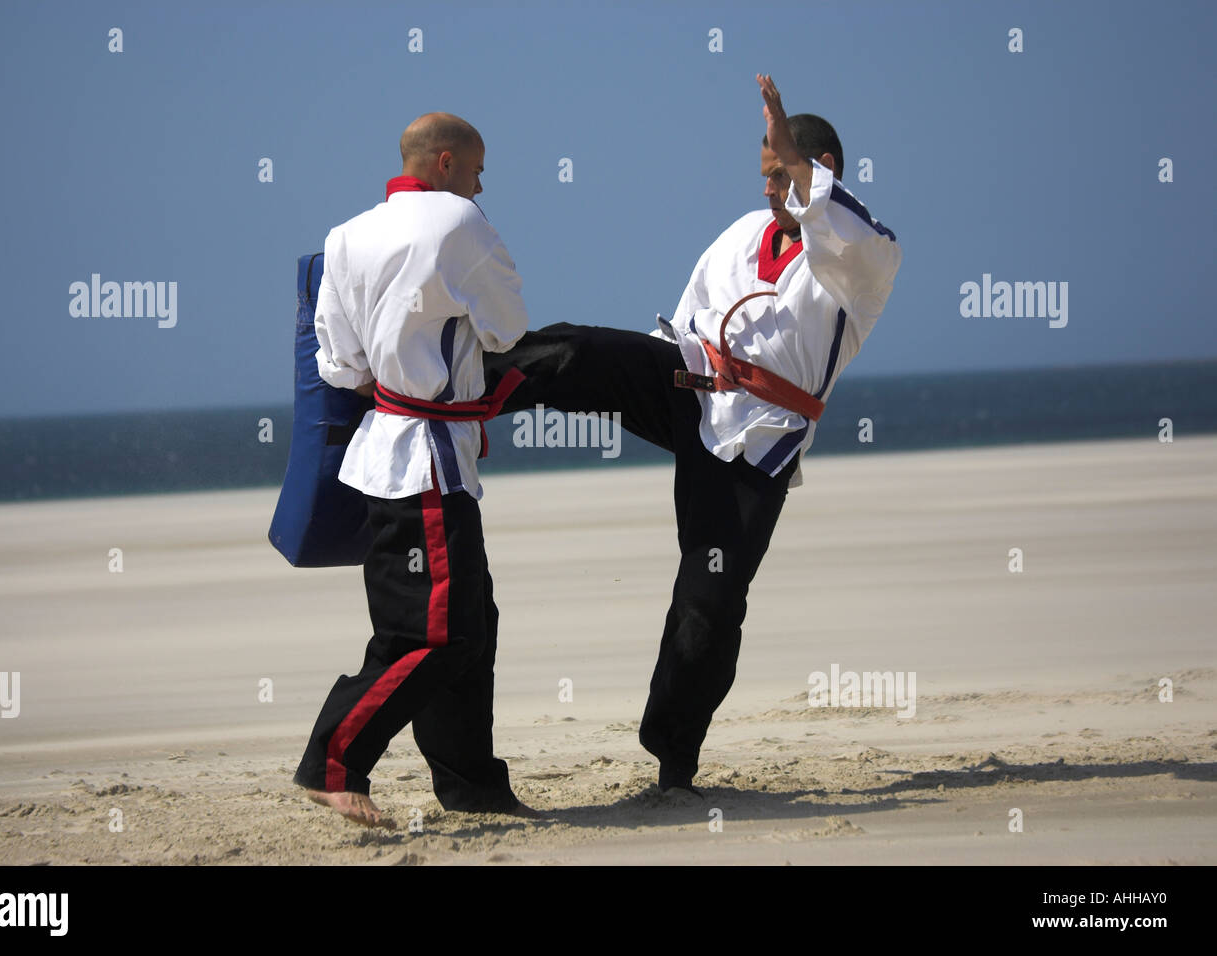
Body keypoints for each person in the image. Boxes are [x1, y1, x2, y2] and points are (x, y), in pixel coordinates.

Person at [484, 75, 902, 793]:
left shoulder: (861, 261)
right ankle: (463, 390)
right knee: (582, 352)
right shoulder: (742, 232)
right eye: (765, 173)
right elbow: (684, 320)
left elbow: (846, 226)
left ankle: (673, 757)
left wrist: (803, 173)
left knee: (709, 602)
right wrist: (644, 368)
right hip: (687, 385)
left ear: (821, 167)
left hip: (757, 444)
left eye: (782, 172)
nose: (769, 187)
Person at [293, 112, 533, 828]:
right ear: (448, 162)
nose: (484, 183)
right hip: (422, 467)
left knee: (470, 624)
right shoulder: (459, 221)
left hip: (396, 454)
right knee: (433, 634)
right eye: (480, 168)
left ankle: (472, 787)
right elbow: (508, 327)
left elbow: (338, 364)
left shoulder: (344, 237)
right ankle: (334, 763)